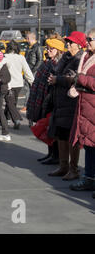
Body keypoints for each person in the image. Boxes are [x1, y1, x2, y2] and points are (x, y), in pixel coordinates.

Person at [47, 31, 86, 180]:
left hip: (71, 103)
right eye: (67, 42)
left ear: (78, 45)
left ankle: (73, 169)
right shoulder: (67, 57)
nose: (68, 44)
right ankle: (63, 166)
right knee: (61, 135)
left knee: (71, 137)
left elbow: (75, 78)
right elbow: (59, 72)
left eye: (71, 42)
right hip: (60, 102)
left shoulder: (80, 58)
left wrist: (58, 79)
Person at [27, 38, 65, 165]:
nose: (48, 50)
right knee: (47, 128)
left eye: (51, 49)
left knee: (52, 128)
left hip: (51, 99)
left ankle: (56, 156)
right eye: (47, 48)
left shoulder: (58, 63)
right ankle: (50, 154)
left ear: (58, 50)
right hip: (44, 98)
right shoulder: (48, 61)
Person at [68, 28, 95, 196]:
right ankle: (89, 179)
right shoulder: (87, 57)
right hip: (86, 108)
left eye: (90, 39)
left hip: (92, 107)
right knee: (90, 147)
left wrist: (80, 79)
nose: (88, 42)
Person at [3, 41, 34, 129]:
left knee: (10, 103)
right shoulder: (21, 57)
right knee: (12, 102)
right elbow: (27, 71)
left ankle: (15, 119)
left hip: (9, 83)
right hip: (19, 84)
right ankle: (7, 118)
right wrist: (32, 82)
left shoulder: (5, 57)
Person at [22, 32, 43, 111]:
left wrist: (33, 70)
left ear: (30, 38)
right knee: (28, 88)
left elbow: (40, 60)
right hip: (28, 70)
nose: (26, 40)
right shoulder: (29, 47)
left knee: (31, 88)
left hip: (33, 71)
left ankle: (27, 105)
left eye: (27, 38)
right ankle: (28, 105)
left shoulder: (37, 47)